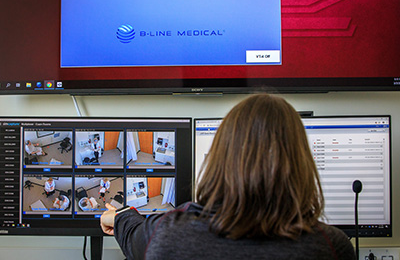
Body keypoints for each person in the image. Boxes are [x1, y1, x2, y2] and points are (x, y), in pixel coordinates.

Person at [100, 94, 356, 260]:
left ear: (220, 159)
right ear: (300, 165)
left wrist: (118, 215)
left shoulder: (168, 234)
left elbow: (133, 233)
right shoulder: (331, 247)